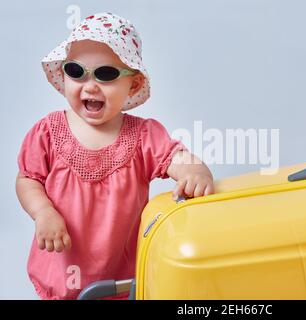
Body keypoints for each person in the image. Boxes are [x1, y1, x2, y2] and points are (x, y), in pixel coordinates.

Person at [15, 12, 214, 300]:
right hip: (60, 274)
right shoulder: (48, 132)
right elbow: (28, 179)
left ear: (132, 85)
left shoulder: (143, 136)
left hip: (123, 282)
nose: (90, 85)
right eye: (76, 71)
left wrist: (195, 173)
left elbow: (176, 157)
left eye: (105, 74)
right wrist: (42, 212)